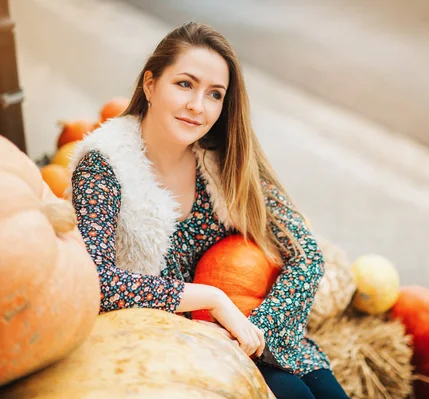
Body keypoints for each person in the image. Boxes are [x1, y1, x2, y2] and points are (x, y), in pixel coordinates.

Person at [68, 22, 349, 399]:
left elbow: (306, 256)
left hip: (254, 333)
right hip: (164, 346)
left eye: (214, 94)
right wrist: (211, 298)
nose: (197, 107)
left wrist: (255, 332)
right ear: (150, 85)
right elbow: (97, 284)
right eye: (185, 84)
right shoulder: (104, 167)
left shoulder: (222, 164)